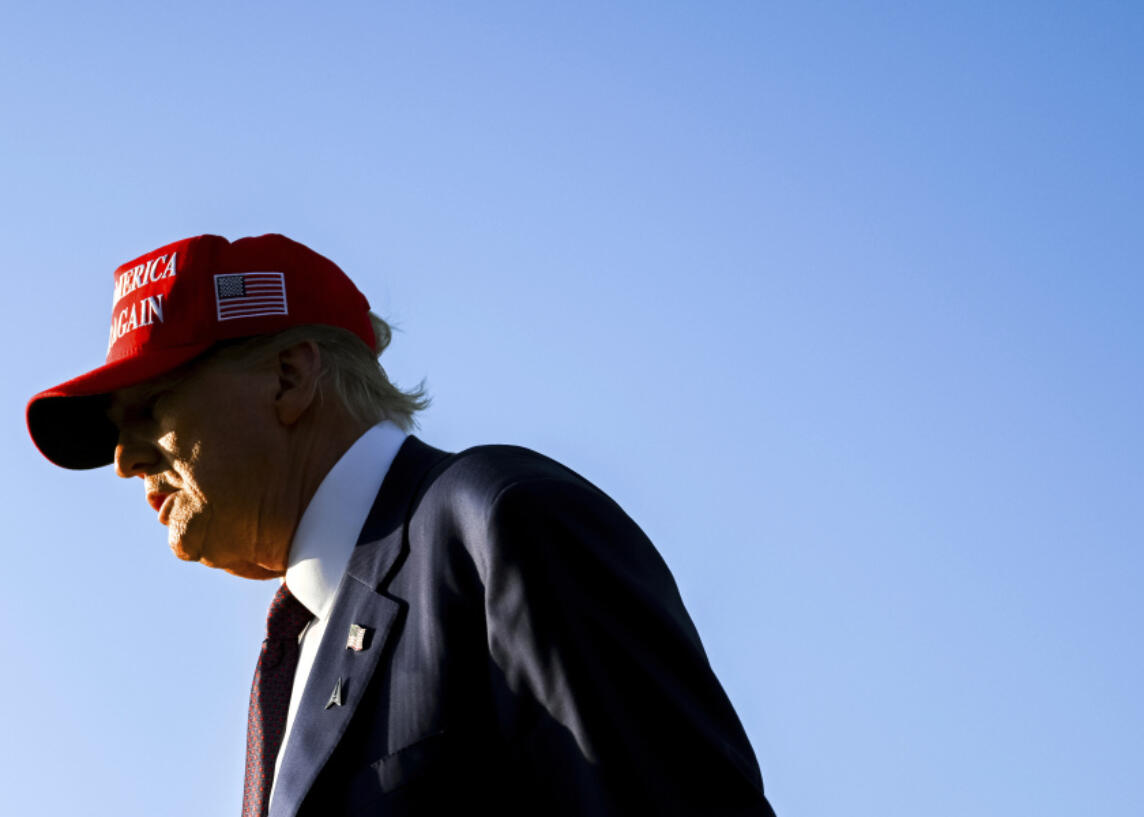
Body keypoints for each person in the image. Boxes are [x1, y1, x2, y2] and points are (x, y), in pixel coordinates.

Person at [27, 233, 775, 817]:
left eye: (151, 409)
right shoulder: (301, 642)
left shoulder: (500, 525)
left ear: (290, 376)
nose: (124, 461)